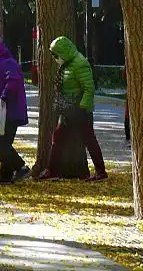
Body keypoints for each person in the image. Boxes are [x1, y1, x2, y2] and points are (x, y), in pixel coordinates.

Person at [38, 36, 106, 182]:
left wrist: (81, 108)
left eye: (56, 55)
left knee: (89, 140)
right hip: (69, 110)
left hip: (80, 111)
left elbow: (89, 88)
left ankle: (101, 172)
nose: (55, 58)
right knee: (58, 138)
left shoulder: (80, 63)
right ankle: (52, 170)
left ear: (63, 52)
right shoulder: (67, 64)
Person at [0, 39, 29, 184]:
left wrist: (2, 98)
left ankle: (20, 166)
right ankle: (6, 175)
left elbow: (12, 82)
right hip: (7, 109)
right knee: (5, 142)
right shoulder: (3, 65)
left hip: (10, 110)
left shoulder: (8, 64)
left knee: (1, 141)